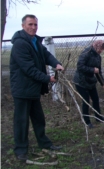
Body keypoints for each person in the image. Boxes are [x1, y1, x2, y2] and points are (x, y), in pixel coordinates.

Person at [9, 14, 64, 161]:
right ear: (23, 26)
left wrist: (56, 64)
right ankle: (20, 150)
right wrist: (47, 78)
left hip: (33, 89)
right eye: (30, 24)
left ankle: (44, 143)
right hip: (22, 89)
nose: (33, 27)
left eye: (35, 25)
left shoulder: (35, 41)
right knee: (21, 121)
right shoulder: (20, 44)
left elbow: (46, 55)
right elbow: (29, 69)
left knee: (39, 118)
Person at [73, 40, 104, 129]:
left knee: (95, 99)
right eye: (101, 48)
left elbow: (98, 71)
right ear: (96, 46)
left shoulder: (98, 57)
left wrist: (103, 83)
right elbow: (80, 66)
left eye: (103, 49)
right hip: (80, 81)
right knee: (86, 101)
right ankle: (87, 122)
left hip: (90, 81)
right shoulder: (86, 53)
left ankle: (98, 117)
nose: (101, 51)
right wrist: (92, 70)